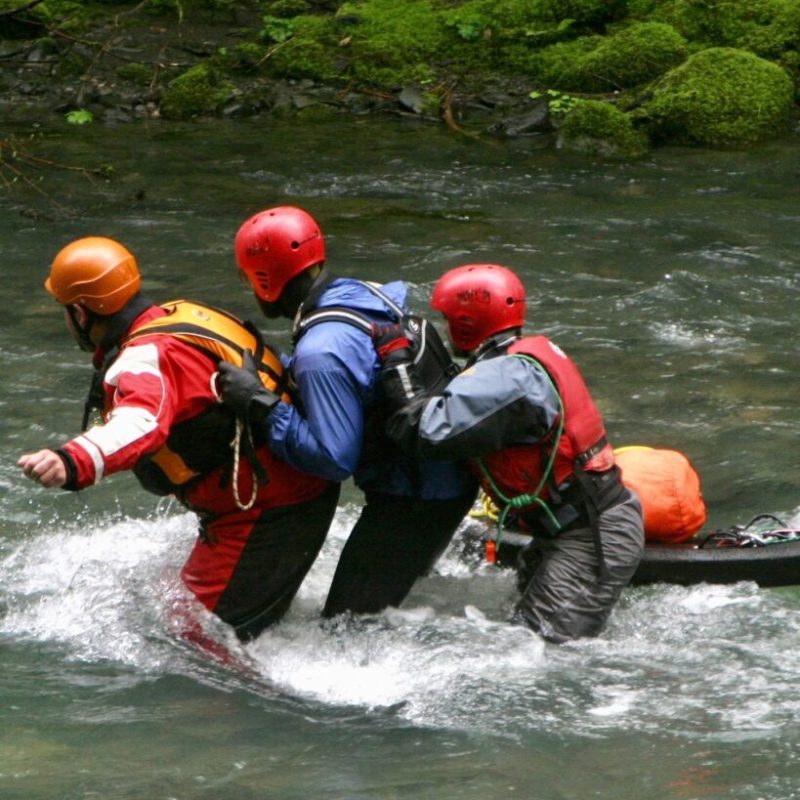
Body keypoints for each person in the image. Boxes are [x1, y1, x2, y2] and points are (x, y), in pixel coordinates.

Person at [17, 236, 339, 642]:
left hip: (268, 511)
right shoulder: (183, 314)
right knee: (180, 604)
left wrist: (71, 459)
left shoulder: (143, 357)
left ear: (80, 313)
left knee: (193, 636)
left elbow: (140, 422)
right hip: (292, 490)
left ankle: (244, 703)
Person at [217, 206, 477, 618]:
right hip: (449, 480)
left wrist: (259, 404)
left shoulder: (321, 350)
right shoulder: (365, 295)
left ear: (265, 279)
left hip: (413, 500)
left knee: (345, 628)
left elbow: (334, 459)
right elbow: (357, 373)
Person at [372, 263, 645, 643]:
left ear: (467, 323)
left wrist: (396, 362)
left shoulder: (509, 379)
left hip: (589, 534)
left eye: (448, 318)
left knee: (537, 655)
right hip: (571, 525)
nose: (446, 326)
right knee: (523, 641)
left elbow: (421, 432)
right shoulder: (516, 359)